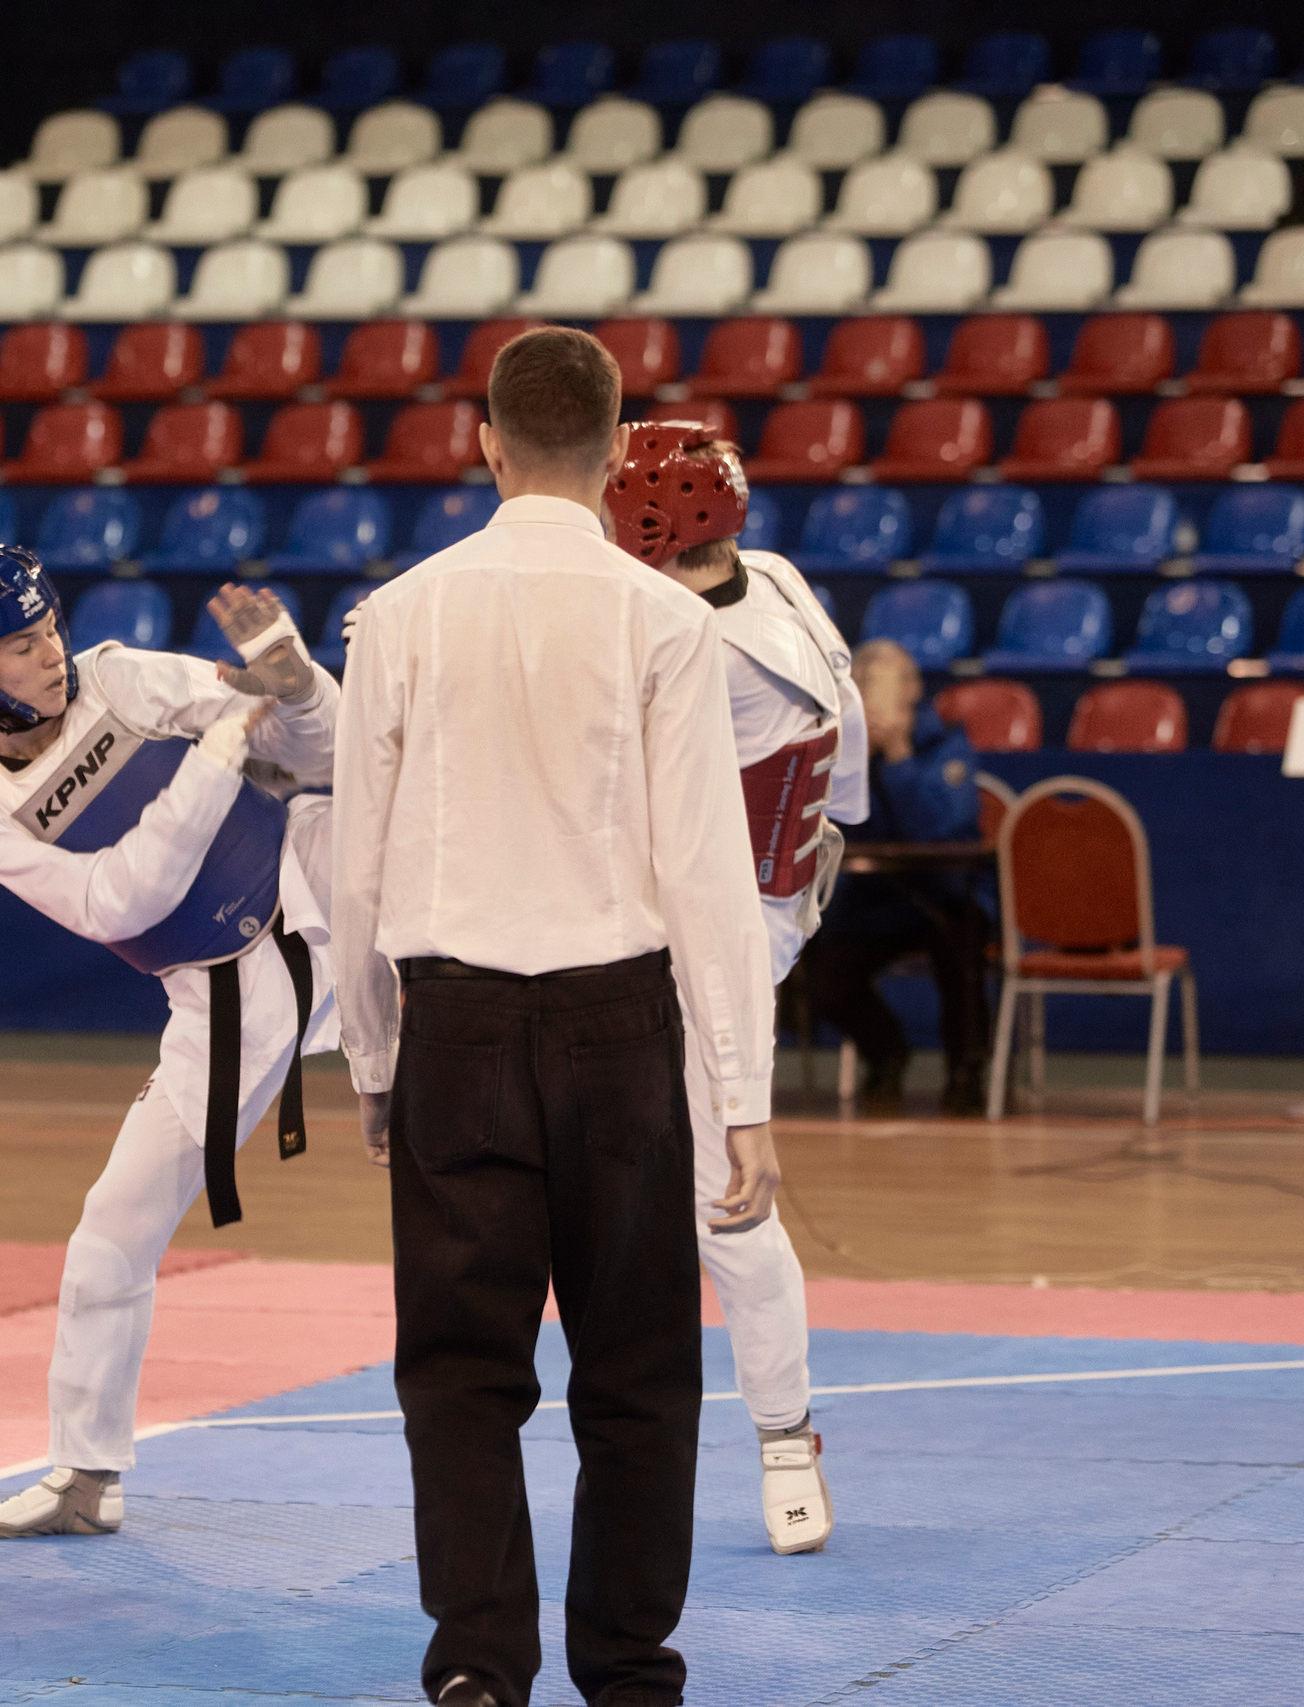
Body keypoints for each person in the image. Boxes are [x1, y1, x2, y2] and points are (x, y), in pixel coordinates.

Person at [333, 328, 777, 1707]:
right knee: (639, 1371)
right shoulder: (663, 619)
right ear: (615, 440)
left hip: (453, 1031)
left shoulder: (400, 613)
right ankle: (630, 1670)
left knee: (459, 1372)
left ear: (485, 440)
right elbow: (711, 868)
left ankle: (476, 1661)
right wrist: (743, 1090)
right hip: (621, 1037)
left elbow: (357, 861)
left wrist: (369, 1053)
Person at [0, 545, 341, 1541]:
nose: (52, 654)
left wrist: (292, 677)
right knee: (113, 1228)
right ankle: (85, 1476)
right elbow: (121, 899)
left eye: (49, 628)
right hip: (225, 987)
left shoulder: (115, 675)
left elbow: (321, 745)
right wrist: (229, 737)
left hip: (347, 892)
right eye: (20, 645)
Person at [603, 421, 866, 1557]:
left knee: (726, 1199)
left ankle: (783, 1437)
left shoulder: (684, 646)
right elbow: (848, 769)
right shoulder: (782, 580)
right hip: (784, 883)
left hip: (722, 941)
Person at [801, 639, 990, 1116]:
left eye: (887, 682)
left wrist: (900, 756)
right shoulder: (843, 750)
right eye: (866, 684)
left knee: (962, 952)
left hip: (942, 897)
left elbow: (938, 832)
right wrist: (860, 758)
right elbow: (837, 826)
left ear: (913, 689)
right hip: (873, 899)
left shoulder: (946, 745)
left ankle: (966, 1074)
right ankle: (886, 1054)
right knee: (818, 971)